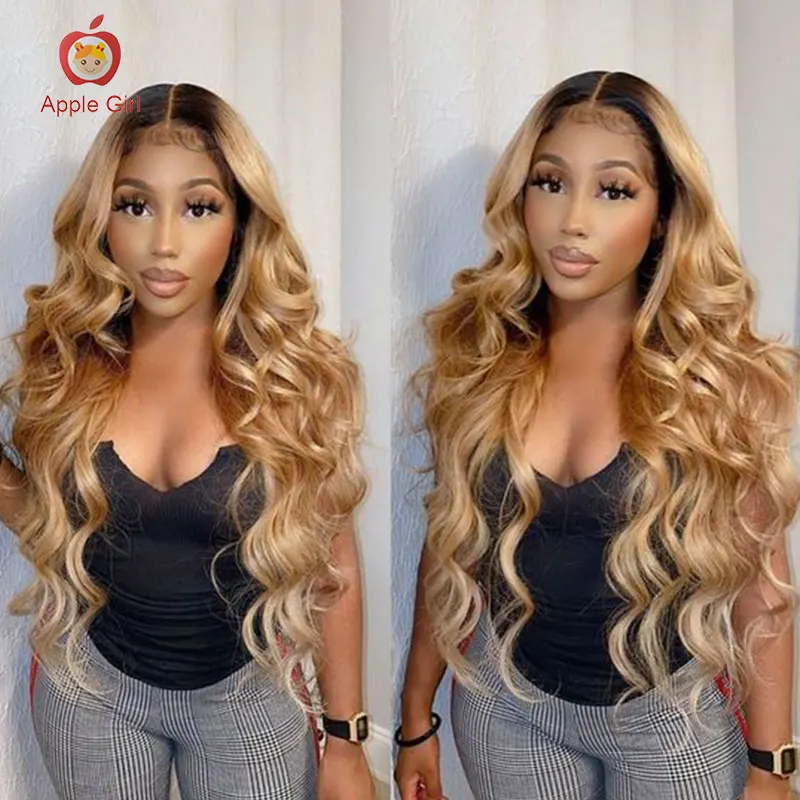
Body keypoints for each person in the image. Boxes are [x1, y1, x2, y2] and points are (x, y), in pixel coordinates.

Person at [394, 70, 800, 800]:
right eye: (550, 183)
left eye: (613, 190)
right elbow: (450, 545)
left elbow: (761, 594)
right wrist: (414, 716)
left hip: (670, 723)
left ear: (664, 215)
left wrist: (772, 768)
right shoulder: (481, 364)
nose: (572, 220)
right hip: (506, 710)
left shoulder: (715, 385)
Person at [0, 83, 375, 800]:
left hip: (249, 698)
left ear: (240, 223)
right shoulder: (66, 368)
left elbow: (336, 570)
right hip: (89, 691)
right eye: (135, 205)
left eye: (198, 206)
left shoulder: (295, 381)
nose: (164, 242)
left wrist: (347, 741)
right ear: (102, 219)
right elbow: (44, 522)